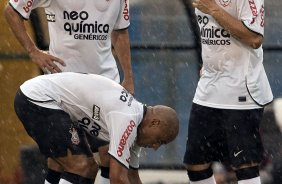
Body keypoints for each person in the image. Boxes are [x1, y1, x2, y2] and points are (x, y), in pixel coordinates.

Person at [4, 0, 134, 183]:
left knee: (109, 157)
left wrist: (128, 77)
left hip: (104, 87)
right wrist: (32, 51)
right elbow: (11, 11)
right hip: (63, 87)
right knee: (65, 161)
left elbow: (120, 32)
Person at [13, 72, 179, 184]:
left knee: (77, 165)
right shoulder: (128, 119)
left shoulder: (134, 123)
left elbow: (132, 176)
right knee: (81, 165)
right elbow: (117, 178)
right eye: (161, 140)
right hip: (37, 99)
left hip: (42, 100)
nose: (156, 147)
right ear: (154, 122)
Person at [183, 0, 273, 184]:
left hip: (241, 89)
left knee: (245, 164)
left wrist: (214, 9)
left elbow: (254, 39)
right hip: (208, 88)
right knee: (196, 163)